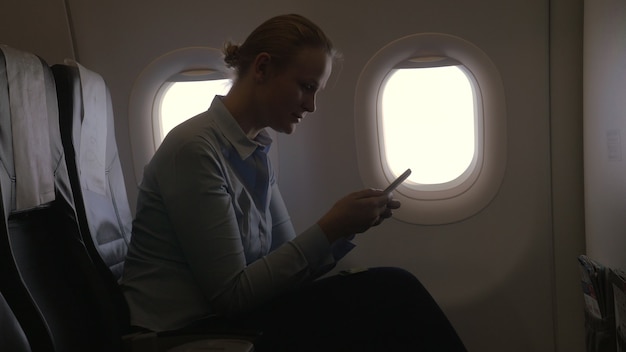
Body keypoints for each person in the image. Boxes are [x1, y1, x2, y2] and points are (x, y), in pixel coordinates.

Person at [120, 14, 467, 351]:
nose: (312, 106)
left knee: (389, 290)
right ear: (262, 68)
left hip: (231, 319)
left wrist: (348, 227)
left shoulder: (254, 151)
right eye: (306, 87)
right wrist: (330, 227)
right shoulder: (195, 150)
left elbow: (285, 269)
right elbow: (232, 295)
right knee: (393, 292)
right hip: (188, 333)